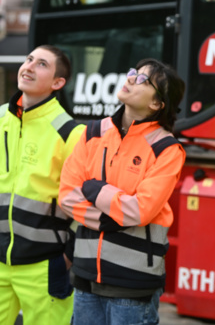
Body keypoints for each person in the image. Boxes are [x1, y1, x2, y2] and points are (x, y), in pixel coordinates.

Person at [59, 58, 186, 325]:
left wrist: (96, 189)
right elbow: (68, 196)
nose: (131, 79)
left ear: (156, 104)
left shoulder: (167, 149)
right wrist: (110, 216)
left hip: (133, 283)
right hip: (85, 276)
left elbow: (140, 210)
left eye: (143, 80)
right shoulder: (93, 132)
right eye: (133, 73)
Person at [0, 45, 85, 325]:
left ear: (58, 83)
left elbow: (81, 205)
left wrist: (66, 257)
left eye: (42, 64)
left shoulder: (71, 133)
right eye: (29, 59)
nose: (30, 66)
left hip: (44, 264)